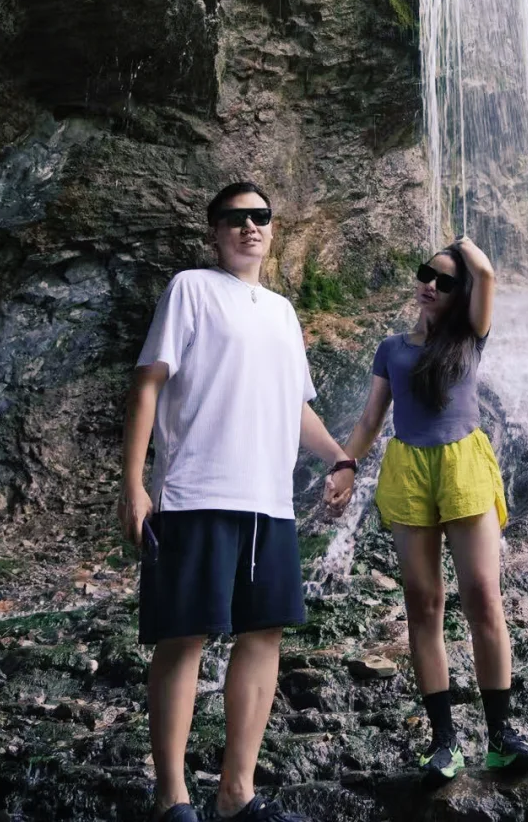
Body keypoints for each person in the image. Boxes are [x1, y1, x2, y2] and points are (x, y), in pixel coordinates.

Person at [117, 181, 356, 822]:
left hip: (268, 501)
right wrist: (134, 483)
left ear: (273, 229)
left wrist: (338, 456)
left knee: (264, 634)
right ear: (216, 231)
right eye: (235, 219)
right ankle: (173, 796)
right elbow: (148, 384)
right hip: (195, 492)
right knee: (184, 636)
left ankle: (236, 791)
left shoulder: (282, 312)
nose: (250, 227)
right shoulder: (190, 289)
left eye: (260, 218)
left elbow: (296, 406)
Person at [334, 234, 528, 786]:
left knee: (481, 594)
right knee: (423, 604)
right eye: (427, 273)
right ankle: (444, 740)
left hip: (464, 466)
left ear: (459, 294)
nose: (430, 284)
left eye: (445, 281)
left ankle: (500, 737)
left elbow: (488, 276)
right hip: (408, 470)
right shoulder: (391, 347)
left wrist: (465, 246)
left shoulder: (471, 336)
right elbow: (371, 420)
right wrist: (344, 464)